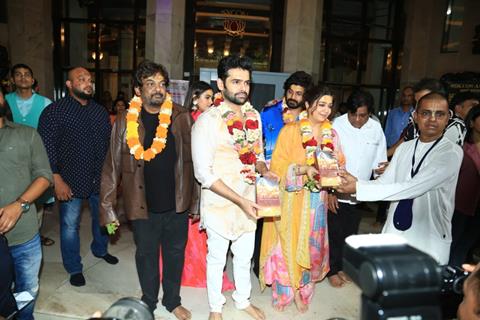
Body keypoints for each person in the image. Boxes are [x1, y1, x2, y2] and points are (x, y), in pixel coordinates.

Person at [99, 60, 197, 320]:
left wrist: (195, 203)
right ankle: (149, 300)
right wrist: (107, 209)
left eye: (162, 84)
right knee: (146, 255)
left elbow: (193, 163)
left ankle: (173, 300)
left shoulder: (181, 116)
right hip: (142, 204)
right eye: (150, 83)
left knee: (175, 254)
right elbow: (112, 166)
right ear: (137, 90)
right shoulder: (124, 120)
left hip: (177, 204)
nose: (158, 89)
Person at [192, 55, 273, 320]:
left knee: (244, 256)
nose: (243, 88)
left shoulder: (255, 116)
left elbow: (258, 154)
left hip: (249, 200)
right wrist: (239, 200)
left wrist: (264, 169)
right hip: (220, 203)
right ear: (220, 83)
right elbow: (203, 173)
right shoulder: (207, 121)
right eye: (236, 81)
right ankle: (216, 307)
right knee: (217, 258)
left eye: (247, 82)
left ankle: (242, 300)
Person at [337, 93, 463, 264]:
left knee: (421, 288)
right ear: (415, 116)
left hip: (428, 236)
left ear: (448, 117)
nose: (432, 119)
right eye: (426, 113)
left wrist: (359, 187)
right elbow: (385, 182)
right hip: (396, 232)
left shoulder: (450, 152)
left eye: (439, 114)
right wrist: (355, 182)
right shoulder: (405, 148)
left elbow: (413, 187)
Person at [260, 85, 341, 312]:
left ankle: (303, 291)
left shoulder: (332, 135)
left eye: (329, 105)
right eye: (321, 104)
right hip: (292, 198)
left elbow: (338, 163)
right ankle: (287, 292)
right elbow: (277, 166)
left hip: (317, 201)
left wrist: (336, 174)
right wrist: (303, 170)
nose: (325, 110)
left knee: (311, 247)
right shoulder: (291, 131)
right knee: (287, 244)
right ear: (308, 104)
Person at [38, 67, 117, 287]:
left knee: (105, 219)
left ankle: (101, 249)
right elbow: (46, 148)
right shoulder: (55, 112)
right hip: (70, 181)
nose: (87, 83)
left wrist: (112, 175)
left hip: (99, 179)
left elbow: (109, 145)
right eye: (81, 79)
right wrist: (56, 179)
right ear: (69, 85)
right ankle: (73, 267)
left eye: (89, 79)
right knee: (70, 225)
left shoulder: (100, 111)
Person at [253, 71, 314, 278]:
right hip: (269, 176)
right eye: (290, 91)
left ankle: (288, 269)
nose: (293, 96)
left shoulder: (310, 118)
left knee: (292, 224)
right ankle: (262, 267)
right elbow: (257, 141)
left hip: (297, 178)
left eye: (299, 93)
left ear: (305, 97)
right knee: (266, 222)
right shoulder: (269, 112)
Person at [177, 81, 234, 291]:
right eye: (208, 97)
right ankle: (193, 272)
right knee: (193, 230)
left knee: (205, 231)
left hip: (210, 179)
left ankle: (203, 271)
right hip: (192, 182)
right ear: (194, 99)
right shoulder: (187, 121)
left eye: (213, 97)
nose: (212, 102)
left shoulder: (211, 119)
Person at [327, 90, 387, 287]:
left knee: (350, 233)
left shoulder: (376, 128)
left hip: (361, 191)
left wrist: (381, 176)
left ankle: (343, 266)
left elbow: (380, 159)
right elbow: (326, 159)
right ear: (348, 112)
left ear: (370, 113)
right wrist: (330, 191)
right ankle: (332, 270)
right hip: (337, 190)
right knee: (334, 232)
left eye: (363, 115)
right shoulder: (337, 125)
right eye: (354, 115)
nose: (358, 120)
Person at [0, 101, 53, 320]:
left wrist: (19, 205)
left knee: (26, 290)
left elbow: (44, 176)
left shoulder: (27, 134)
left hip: (23, 234)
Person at [5, 64, 55, 247]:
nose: (23, 78)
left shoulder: (45, 103)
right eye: (18, 74)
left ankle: (34, 235)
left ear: (33, 80)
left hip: (37, 157)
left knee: (37, 196)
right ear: (12, 80)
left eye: (27, 74)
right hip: (11, 157)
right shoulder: (5, 101)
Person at [449, 105, 480, 267]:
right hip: (460, 205)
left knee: (467, 245)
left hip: (478, 208)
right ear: (472, 123)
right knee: (453, 243)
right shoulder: (462, 148)